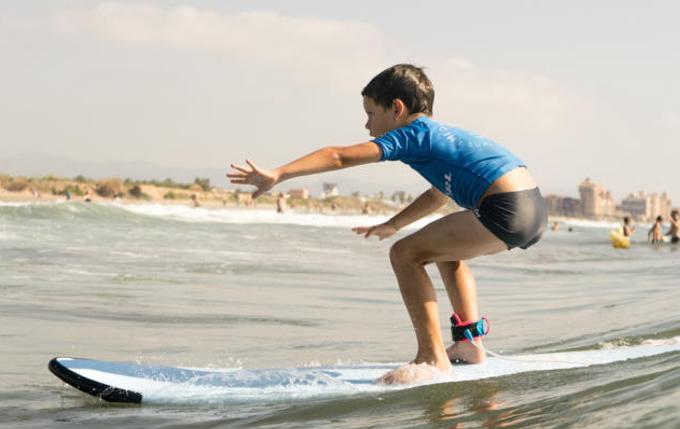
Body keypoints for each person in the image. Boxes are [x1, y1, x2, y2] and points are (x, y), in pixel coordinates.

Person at [227, 64, 547, 385]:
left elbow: (340, 156)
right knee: (445, 252)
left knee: (405, 254)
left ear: (397, 109)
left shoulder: (414, 134)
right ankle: (469, 343)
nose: (367, 125)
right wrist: (393, 223)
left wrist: (280, 173)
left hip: (505, 207)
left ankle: (431, 358)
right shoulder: (443, 138)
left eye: (370, 113)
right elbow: (438, 196)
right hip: (531, 208)